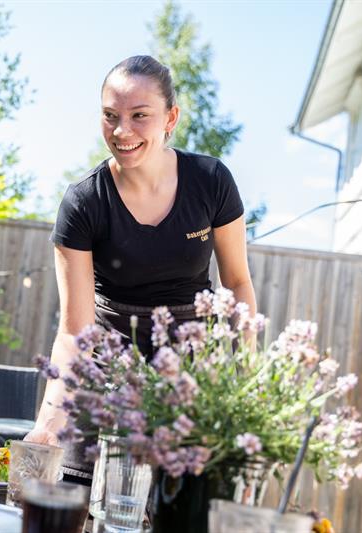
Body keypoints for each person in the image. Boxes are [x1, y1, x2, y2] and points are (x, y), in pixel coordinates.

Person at [25, 55, 257, 478]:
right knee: (81, 500)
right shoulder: (84, 203)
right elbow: (76, 331)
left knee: (177, 508)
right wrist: (49, 421)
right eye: (110, 116)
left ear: (171, 118)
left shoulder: (211, 182)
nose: (122, 131)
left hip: (188, 371)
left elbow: (238, 283)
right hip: (110, 367)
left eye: (139, 116)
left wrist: (244, 380)